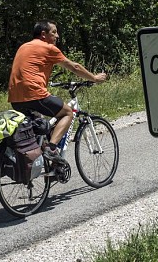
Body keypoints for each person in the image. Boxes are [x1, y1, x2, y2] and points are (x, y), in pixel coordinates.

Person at [8, 20, 107, 163]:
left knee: (39, 129)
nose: (57, 36)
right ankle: (52, 148)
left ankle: (43, 164)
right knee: (67, 112)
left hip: (15, 99)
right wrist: (94, 78)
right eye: (54, 32)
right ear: (43, 34)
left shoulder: (24, 47)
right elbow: (75, 67)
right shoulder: (48, 48)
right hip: (34, 94)